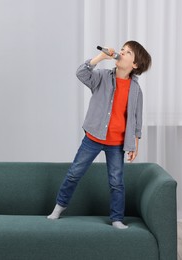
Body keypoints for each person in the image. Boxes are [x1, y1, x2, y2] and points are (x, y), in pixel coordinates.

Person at [47, 41, 152, 229]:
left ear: (135, 65)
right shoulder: (102, 77)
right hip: (94, 137)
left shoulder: (136, 90)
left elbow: (136, 119)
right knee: (74, 173)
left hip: (117, 143)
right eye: (122, 49)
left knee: (116, 182)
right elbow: (81, 73)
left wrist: (134, 143)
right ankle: (59, 207)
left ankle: (117, 218)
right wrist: (101, 57)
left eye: (127, 52)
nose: (121, 52)